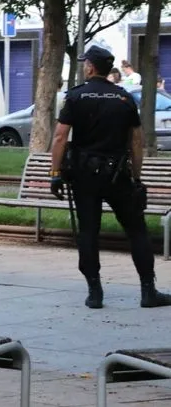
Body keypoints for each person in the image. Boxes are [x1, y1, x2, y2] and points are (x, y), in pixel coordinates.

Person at [50, 46, 171, 309]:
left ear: (90, 67)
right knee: (136, 230)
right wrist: (136, 178)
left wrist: (55, 173)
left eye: (85, 64)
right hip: (119, 175)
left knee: (88, 232)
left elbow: (60, 137)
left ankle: (95, 292)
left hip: (84, 177)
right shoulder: (124, 99)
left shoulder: (76, 97)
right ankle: (148, 290)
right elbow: (136, 142)